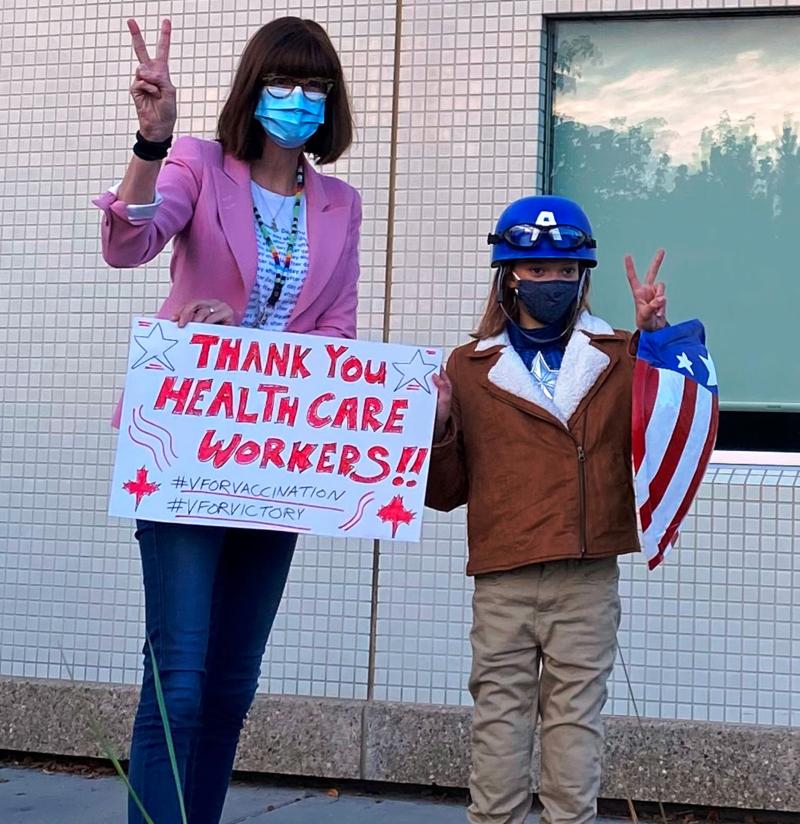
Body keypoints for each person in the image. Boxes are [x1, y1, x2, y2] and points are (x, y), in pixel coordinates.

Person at [93, 16, 361, 824]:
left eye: (316, 86)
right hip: (182, 448)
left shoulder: (340, 204)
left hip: (275, 463)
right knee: (178, 679)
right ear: (254, 89)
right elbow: (129, 244)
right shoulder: (202, 167)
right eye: (285, 82)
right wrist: (151, 143)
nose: (300, 99)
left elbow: (337, 333)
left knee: (233, 685)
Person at [427, 195, 667, 824]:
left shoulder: (621, 356)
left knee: (574, 729)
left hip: (586, 576)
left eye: (565, 270)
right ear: (509, 274)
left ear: (582, 275)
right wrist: (441, 427)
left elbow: (664, 424)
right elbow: (445, 492)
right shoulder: (468, 366)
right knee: (498, 726)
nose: (552, 281)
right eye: (537, 270)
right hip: (503, 575)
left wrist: (657, 341)